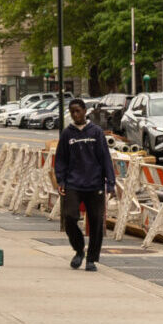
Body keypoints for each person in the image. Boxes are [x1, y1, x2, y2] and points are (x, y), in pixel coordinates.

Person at [54, 96, 118, 272]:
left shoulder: (96, 132)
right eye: (72, 112)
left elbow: (105, 158)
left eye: (78, 111)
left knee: (97, 222)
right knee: (70, 217)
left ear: (84, 112)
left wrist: (110, 183)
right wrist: (61, 180)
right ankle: (78, 249)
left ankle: (91, 259)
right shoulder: (67, 134)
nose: (75, 115)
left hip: (95, 184)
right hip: (73, 184)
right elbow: (60, 159)